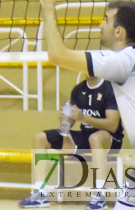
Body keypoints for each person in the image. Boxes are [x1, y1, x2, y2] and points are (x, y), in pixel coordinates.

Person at [34, 0, 135, 210]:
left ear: (119, 32)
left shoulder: (123, 60)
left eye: (105, 20)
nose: (100, 25)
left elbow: (56, 55)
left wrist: (48, 7)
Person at [18, 75, 122, 209]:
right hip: (85, 136)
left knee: (95, 138)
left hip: (110, 138)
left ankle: (100, 195)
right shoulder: (78, 90)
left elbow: (112, 125)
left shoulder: (110, 88)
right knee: (40, 138)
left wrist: (84, 118)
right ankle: (40, 193)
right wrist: (65, 120)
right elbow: (72, 121)